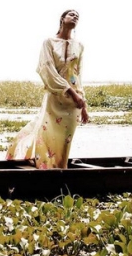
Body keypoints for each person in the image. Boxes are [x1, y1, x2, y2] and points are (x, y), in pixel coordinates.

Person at [6, 9, 90, 169]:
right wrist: (70, 92)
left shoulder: (79, 46)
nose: (75, 17)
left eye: (77, 16)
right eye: (71, 14)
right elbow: (47, 69)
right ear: (62, 19)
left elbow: (78, 75)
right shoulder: (49, 43)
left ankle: (60, 169)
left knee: (66, 138)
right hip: (55, 97)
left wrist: (82, 103)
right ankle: (45, 166)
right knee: (46, 132)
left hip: (74, 101)